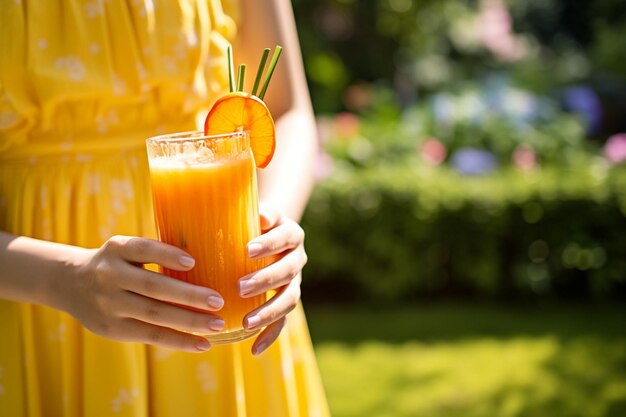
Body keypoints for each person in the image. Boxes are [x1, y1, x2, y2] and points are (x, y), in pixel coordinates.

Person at [0, 0, 330, 416]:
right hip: (37, 305)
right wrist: (60, 279)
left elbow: (285, 110)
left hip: (231, 290)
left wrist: (269, 234)